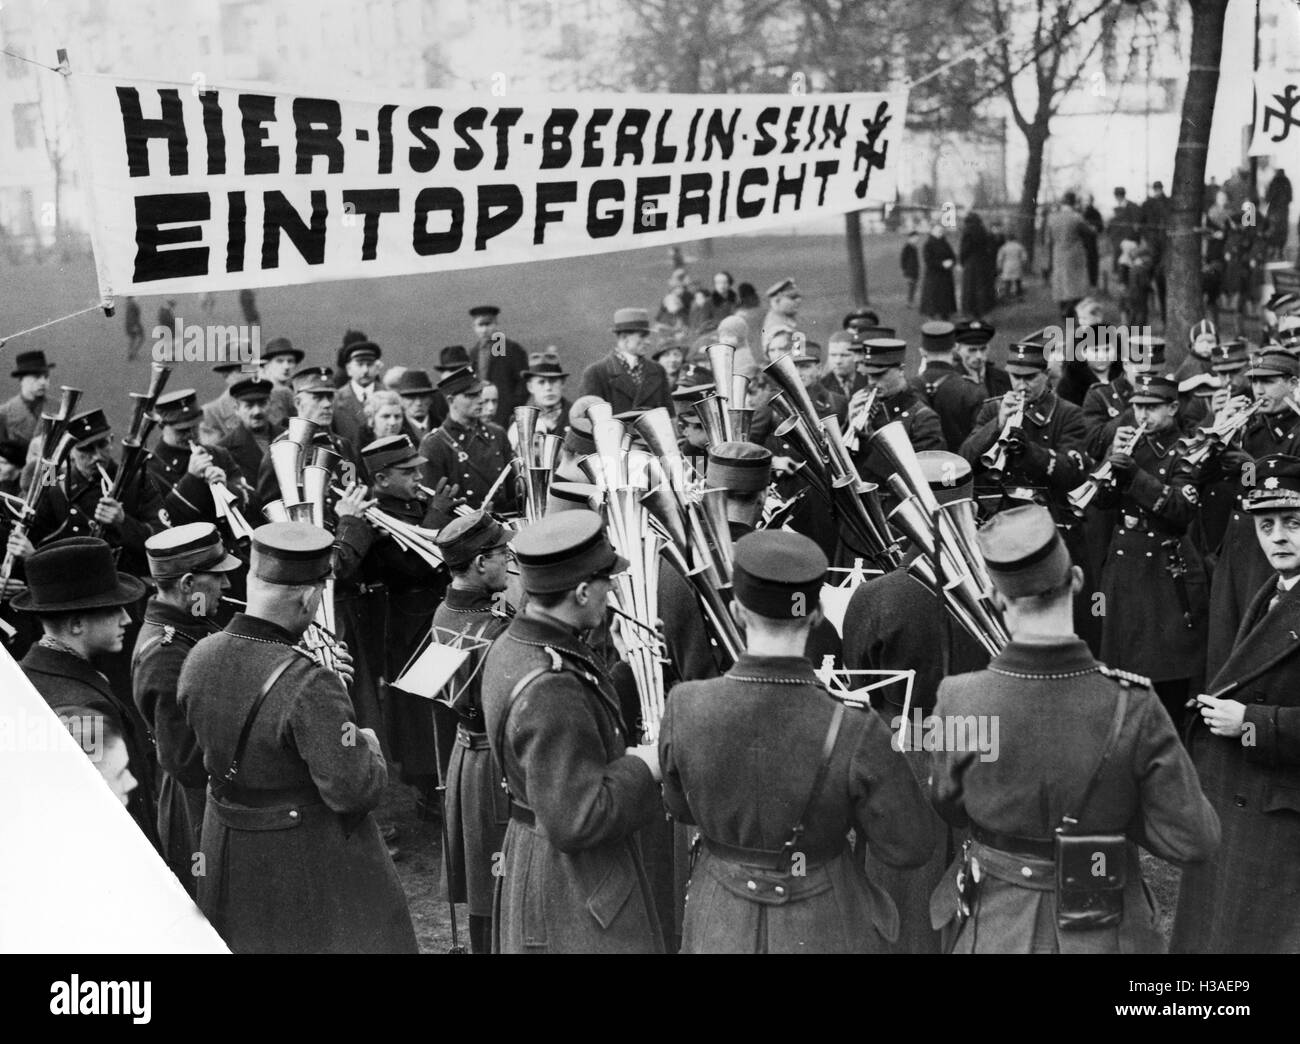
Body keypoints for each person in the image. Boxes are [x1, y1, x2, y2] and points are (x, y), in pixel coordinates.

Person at [930, 504, 1220, 953]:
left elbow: (948, 805)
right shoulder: (1135, 704)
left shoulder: (958, 698)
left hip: (997, 923)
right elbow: (1194, 839)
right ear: (1079, 580)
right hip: (1106, 926)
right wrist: (1117, 810)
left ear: (996, 597)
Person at [660, 529, 934, 953]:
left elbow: (679, 807)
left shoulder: (684, 706)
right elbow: (910, 846)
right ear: (817, 613)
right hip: (823, 917)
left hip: (720, 916)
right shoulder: (855, 728)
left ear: (735, 611)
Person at [178, 521, 417, 954]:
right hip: (305, 860)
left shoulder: (199, 655)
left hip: (229, 851)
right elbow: (354, 791)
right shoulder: (312, 682)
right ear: (310, 597)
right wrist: (368, 744)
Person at [481, 510, 664, 953]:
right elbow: (578, 819)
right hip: (572, 885)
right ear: (582, 591)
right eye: (607, 580)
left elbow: (578, 720)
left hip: (540, 863)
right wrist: (646, 765)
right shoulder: (550, 683)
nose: (614, 589)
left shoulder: (518, 644)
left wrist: (618, 666)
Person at [840, 452, 990, 954]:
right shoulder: (1003, 582)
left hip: (906, 755)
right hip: (984, 747)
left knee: (902, 902)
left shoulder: (880, 597)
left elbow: (859, 688)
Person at [1173, 455, 1300, 953]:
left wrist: (1252, 723)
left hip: (1279, 808)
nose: (1278, 538)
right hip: (1248, 798)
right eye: (1266, 526)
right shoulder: (1274, 590)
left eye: (1293, 523)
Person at [15, 537, 158, 846]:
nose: (127, 618)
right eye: (114, 609)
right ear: (77, 623)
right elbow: (119, 821)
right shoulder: (85, 709)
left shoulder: (27, 674)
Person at [133, 523, 242, 893]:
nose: (227, 586)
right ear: (188, 584)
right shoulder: (165, 655)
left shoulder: (191, 627)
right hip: (198, 810)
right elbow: (187, 761)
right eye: (217, 577)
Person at [1094, 374, 1207, 729]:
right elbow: (1101, 501)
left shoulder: (1187, 450)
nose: (1141, 415)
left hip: (1162, 566)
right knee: (1122, 668)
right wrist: (1111, 467)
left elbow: (1180, 509)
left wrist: (1135, 476)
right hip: (1124, 563)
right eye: (1138, 407)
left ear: (1172, 408)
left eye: (1151, 407)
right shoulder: (1129, 446)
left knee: (1165, 670)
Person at [432, 512, 516, 955]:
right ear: (481, 563)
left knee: (486, 877)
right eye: (503, 553)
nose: (509, 560)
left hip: (465, 755)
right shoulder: (496, 628)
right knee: (499, 876)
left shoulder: (447, 609)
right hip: (492, 761)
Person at [419, 366, 515, 513]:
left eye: (479, 393)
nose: (480, 400)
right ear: (451, 401)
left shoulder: (497, 434)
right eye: (471, 396)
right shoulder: (434, 444)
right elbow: (432, 505)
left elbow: (512, 492)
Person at [146, 389, 247, 528]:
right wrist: (191, 479)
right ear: (162, 426)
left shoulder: (218, 454)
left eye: (194, 427)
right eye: (181, 430)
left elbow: (251, 500)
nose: (190, 435)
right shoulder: (150, 470)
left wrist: (226, 486)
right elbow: (165, 522)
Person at [577, 308, 672, 413]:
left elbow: (670, 415)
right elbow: (590, 420)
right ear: (624, 338)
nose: (648, 342)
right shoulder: (596, 373)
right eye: (642, 336)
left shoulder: (658, 370)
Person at [911, 321, 985, 452]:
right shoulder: (972, 390)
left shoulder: (910, 387)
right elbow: (980, 439)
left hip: (919, 467)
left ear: (922, 351)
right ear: (955, 348)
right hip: (960, 467)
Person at [218, 377, 278, 516]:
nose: (257, 412)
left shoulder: (288, 437)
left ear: (270, 404)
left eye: (262, 403)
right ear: (236, 409)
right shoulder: (224, 450)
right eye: (249, 405)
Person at [469, 305, 530, 415]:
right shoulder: (474, 353)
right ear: (474, 327)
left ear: (496, 324)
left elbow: (524, 383)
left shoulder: (512, 349)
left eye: (488, 324)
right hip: (481, 411)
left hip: (505, 412)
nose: (484, 330)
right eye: (480, 325)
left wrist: (512, 407)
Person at [508, 356, 571, 451]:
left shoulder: (576, 415)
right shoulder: (521, 419)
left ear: (562, 384)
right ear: (530, 387)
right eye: (541, 382)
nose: (548, 388)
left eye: (553, 381)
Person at [1046, 193, 1092, 322]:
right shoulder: (1077, 217)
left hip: (1058, 254)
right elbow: (1088, 232)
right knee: (1076, 284)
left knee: (1061, 282)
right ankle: (1071, 310)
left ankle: (1063, 311)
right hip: (1074, 254)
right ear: (1073, 203)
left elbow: (1048, 239)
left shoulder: (1052, 218)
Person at [332, 341, 382, 448]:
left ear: (377, 368)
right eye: (360, 365)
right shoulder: (335, 400)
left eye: (370, 364)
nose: (365, 370)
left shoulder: (388, 396)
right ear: (349, 369)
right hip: (349, 463)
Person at [0, 349, 52, 449]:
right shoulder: (4, 414)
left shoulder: (60, 408)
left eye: (46, 376)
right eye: (36, 377)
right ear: (21, 379)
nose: (42, 382)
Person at [953, 320, 1011, 398]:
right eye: (972, 350)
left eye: (983, 349)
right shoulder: (952, 379)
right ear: (958, 349)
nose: (979, 356)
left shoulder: (1004, 378)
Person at [1140, 182, 1172, 322]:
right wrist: (1148, 238)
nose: (1157, 191)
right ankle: (1153, 314)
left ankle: (1165, 317)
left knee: (1163, 283)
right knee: (1148, 281)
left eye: (1159, 189)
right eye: (1156, 189)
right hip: (1154, 247)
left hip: (1165, 247)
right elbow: (1142, 225)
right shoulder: (1148, 204)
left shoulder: (1168, 203)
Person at [199, 361, 248, 447]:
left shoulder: (271, 401)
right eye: (241, 370)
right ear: (226, 375)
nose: (251, 374)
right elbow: (214, 455)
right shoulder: (210, 413)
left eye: (253, 368)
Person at [959, 212, 997, 319]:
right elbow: (990, 247)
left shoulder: (967, 232)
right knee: (982, 288)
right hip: (983, 263)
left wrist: (962, 261)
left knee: (970, 289)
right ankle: (983, 312)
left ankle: (971, 313)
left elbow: (964, 249)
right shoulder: (983, 230)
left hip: (971, 264)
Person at [257, 337, 302, 428]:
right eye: (279, 361)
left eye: (290, 361)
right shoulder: (274, 392)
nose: (286, 366)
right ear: (267, 365)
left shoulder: (293, 390)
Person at [920, 225, 957, 319]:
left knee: (945, 297)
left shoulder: (945, 243)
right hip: (934, 276)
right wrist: (941, 264)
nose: (940, 232)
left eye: (941, 230)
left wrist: (951, 262)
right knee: (933, 297)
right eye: (937, 230)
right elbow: (928, 260)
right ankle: (931, 315)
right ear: (932, 231)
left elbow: (952, 256)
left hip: (946, 276)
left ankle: (945, 314)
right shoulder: (928, 244)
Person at [392, 368, 439, 443]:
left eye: (423, 396)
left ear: (431, 399)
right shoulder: (395, 431)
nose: (418, 403)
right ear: (401, 401)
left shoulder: (442, 426)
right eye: (411, 397)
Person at [760, 278, 802, 359]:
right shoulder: (777, 326)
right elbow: (797, 355)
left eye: (798, 297)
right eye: (792, 298)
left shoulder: (785, 317)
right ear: (776, 301)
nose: (798, 301)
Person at [996, 232, 1027, 301]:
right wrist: (1023, 265)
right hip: (1017, 264)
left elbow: (1000, 258)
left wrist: (999, 267)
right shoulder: (1019, 246)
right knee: (1018, 281)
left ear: (1007, 239)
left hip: (1007, 265)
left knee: (1007, 281)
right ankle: (1019, 296)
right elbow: (1024, 257)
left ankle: (1007, 296)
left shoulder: (1004, 247)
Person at [900, 230, 920, 306]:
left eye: (917, 238)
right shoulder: (907, 247)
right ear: (910, 238)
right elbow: (903, 259)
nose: (917, 240)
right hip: (909, 271)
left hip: (915, 270)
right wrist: (904, 270)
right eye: (915, 238)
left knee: (913, 287)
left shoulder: (914, 247)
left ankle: (910, 301)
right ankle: (909, 302)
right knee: (911, 286)